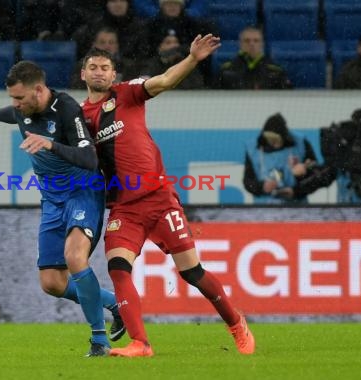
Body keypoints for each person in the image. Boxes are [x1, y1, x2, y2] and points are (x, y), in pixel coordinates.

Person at [79, 34, 255, 357]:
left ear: (114, 74)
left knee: (191, 272)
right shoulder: (79, 118)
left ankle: (235, 321)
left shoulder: (128, 93)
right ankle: (140, 343)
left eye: (105, 67)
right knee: (118, 268)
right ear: (83, 74)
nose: (99, 72)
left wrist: (191, 59)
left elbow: (163, 81)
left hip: (159, 199)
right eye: (93, 67)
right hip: (123, 207)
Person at [0, 61, 125, 357]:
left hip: (83, 192)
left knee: (75, 257)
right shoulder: (22, 109)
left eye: (19, 98)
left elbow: (89, 158)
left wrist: (51, 145)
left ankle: (98, 340)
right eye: (12, 98)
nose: (15, 105)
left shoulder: (66, 109)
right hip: (52, 201)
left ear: (38, 90)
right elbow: (10, 115)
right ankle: (114, 304)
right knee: (52, 283)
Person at [243, 113, 322, 204]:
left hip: (297, 207)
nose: (273, 143)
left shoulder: (300, 143)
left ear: (284, 136)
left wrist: (303, 175)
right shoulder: (253, 149)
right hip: (264, 210)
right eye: (270, 139)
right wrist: (262, 187)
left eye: (276, 140)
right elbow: (248, 181)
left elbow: (316, 175)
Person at [218, 26, 292, 90]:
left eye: (256, 40)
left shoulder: (276, 71)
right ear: (240, 43)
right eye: (247, 41)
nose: (252, 44)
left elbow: (287, 97)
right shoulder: (226, 71)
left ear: (262, 44)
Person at [70, 27, 138, 90]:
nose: (107, 46)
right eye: (102, 42)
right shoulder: (82, 66)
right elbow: (77, 91)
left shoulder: (129, 67)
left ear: (117, 46)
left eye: (111, 43)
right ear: (94, 45)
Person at [140, 29, 205, 89]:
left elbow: (197, 84)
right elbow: (144, 84)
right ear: (159, 47)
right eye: (168, 43)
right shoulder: (152, 64)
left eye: (176, 42)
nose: (174, 46)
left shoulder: (187, 63)